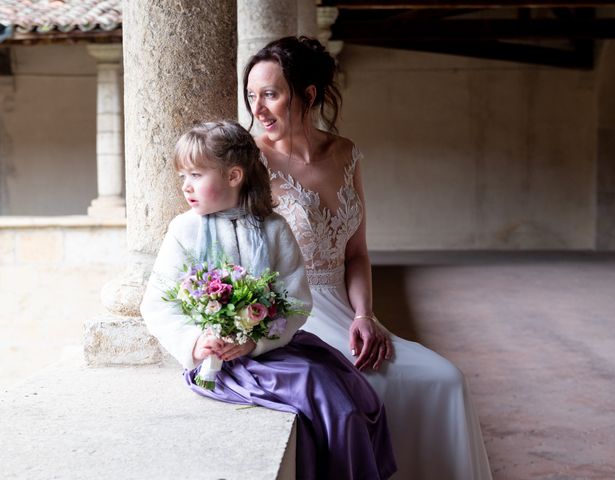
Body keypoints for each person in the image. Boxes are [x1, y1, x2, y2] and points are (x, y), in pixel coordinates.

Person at [243, 36, 493, 480]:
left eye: (270, 94)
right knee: (366, 388)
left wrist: (365, 315)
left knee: (445, 379)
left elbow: (356, 253)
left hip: (346, 310)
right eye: (252, 96)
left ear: (308, 94)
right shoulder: (251, 164)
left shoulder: (345, 153)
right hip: (293, 313)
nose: (258, 110)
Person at [140, 120, 397, 480]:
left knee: (347, 406)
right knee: (317, 401)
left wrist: (255, 341)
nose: (186, 186)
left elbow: (296, 301)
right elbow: (156, 304)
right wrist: (196, 341)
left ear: (233, 176)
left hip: (269, 350)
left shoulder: (273, 228)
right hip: (218, 362)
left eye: (196, 175)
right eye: (183, 176)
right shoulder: (185, 230)